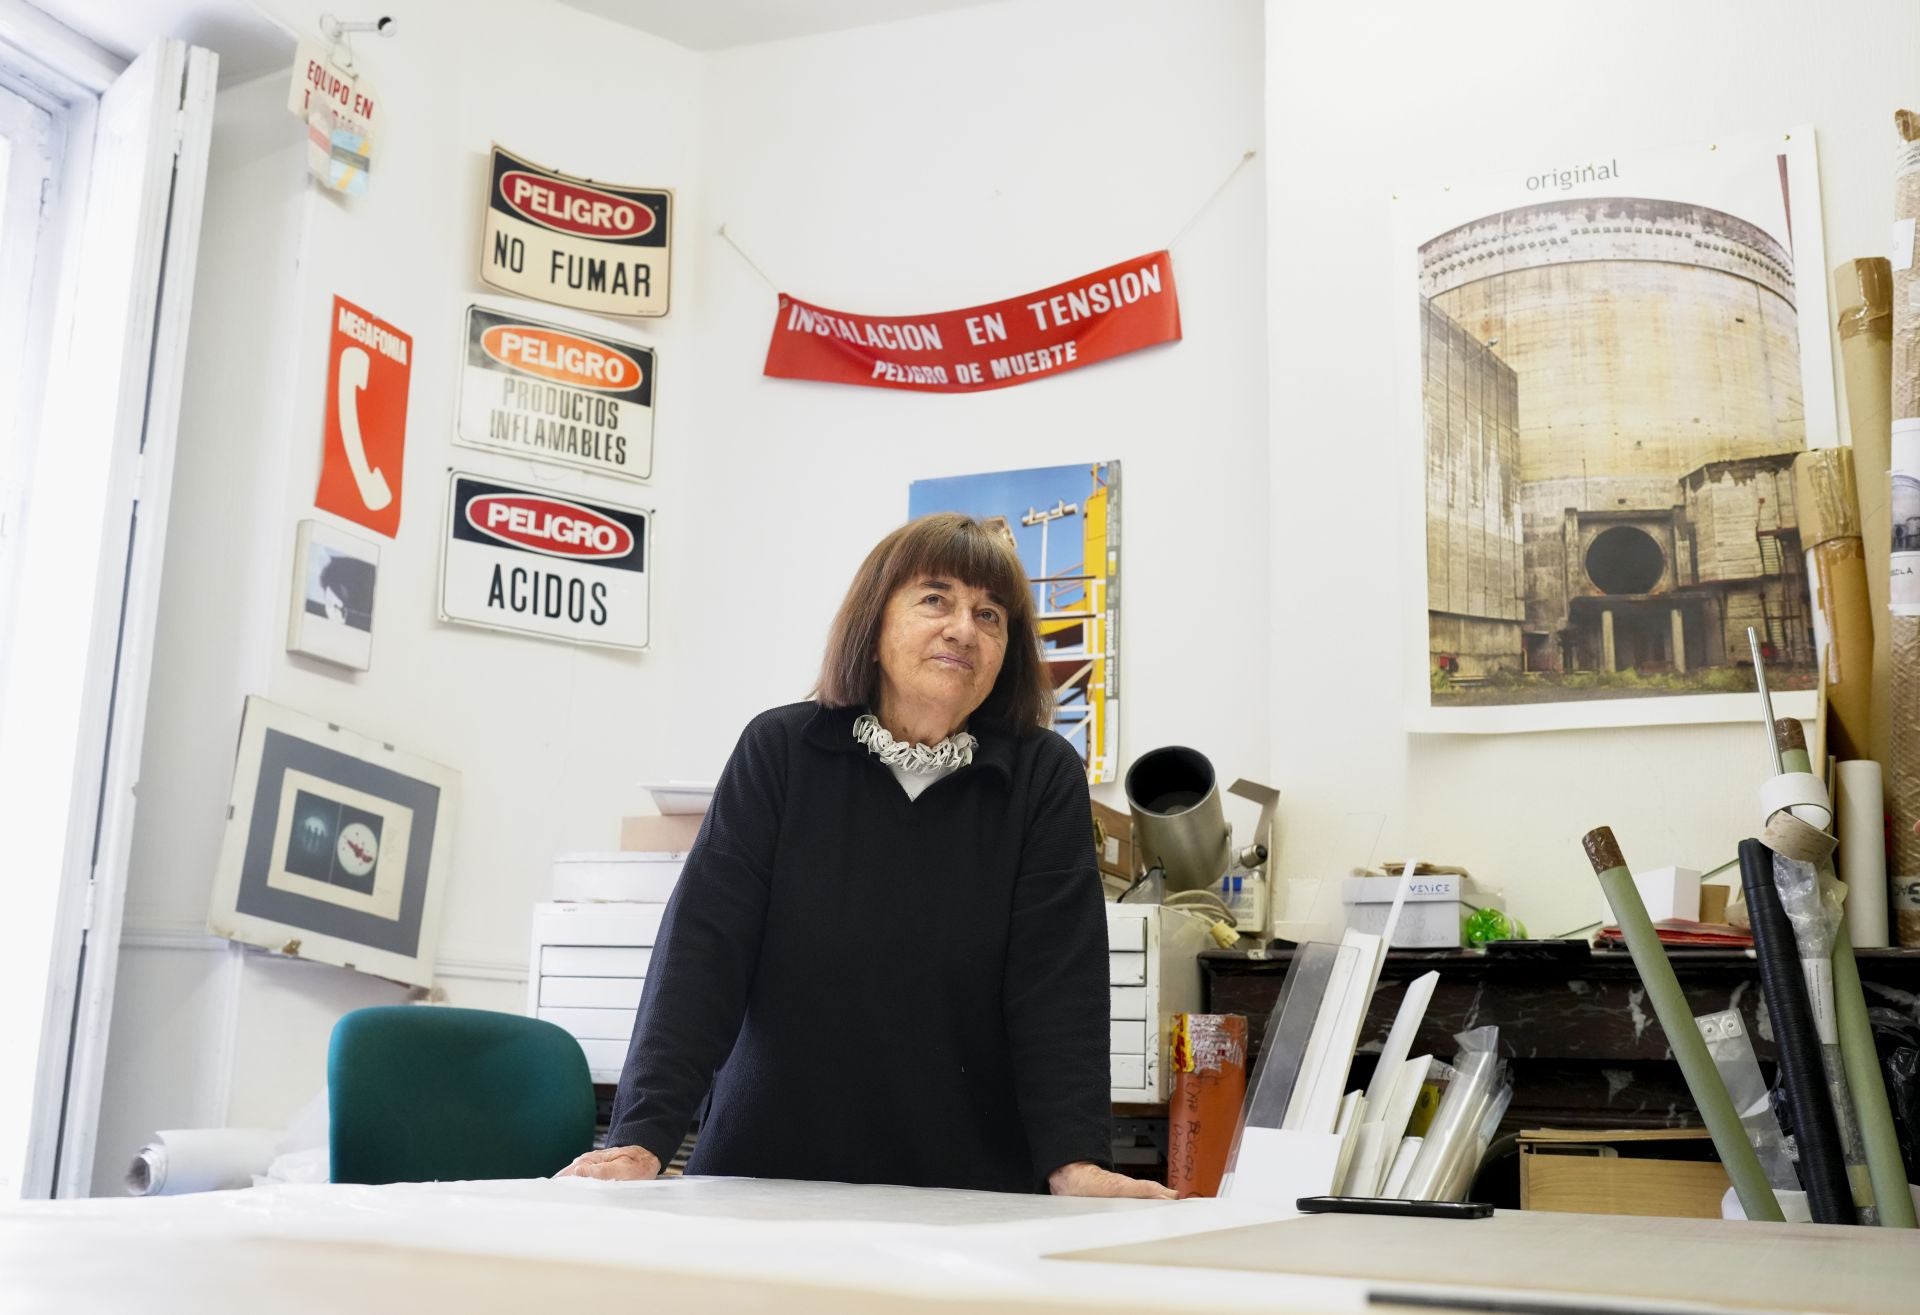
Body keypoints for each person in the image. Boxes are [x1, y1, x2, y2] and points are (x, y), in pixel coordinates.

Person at [559, 513, 1172, 1198]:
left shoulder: (1042, 777)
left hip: (969, 1193)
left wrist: (1075, 1161)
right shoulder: (781, 752)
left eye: (990, 614)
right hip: (766, 1172)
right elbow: (702, 953)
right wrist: (641, 1135)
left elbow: (1058, 986)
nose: (964, 628)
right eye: (935, 598)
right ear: (873, 627)